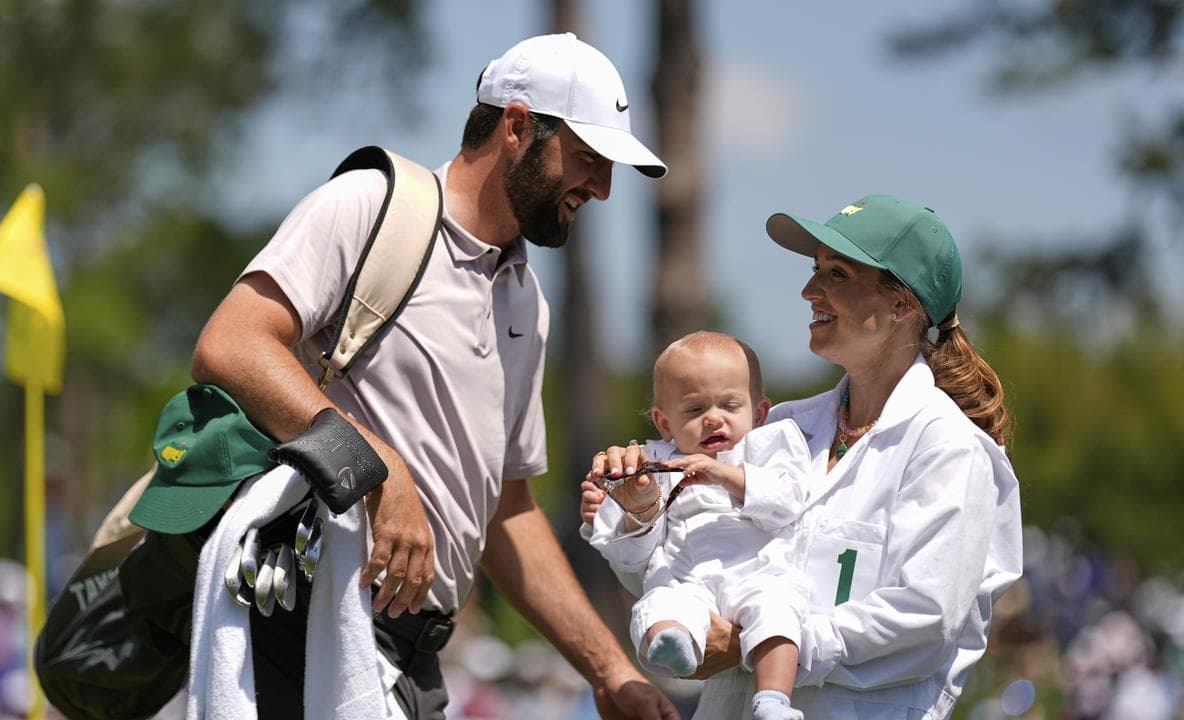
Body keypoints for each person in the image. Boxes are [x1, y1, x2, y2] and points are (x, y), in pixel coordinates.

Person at [181, 32, 677, 720]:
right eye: (589, 158)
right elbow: (231, 345)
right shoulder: (369, 205)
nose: (601, 186)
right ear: (517, 126)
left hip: (412, 655)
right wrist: (376, 466)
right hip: (308, 626)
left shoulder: (527, 304)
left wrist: (609, 672)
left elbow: (507, 510)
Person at [585, 195, 1023, 719]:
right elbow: (688, 563)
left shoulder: (949, 448)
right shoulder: (781, 427)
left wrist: (769, 643)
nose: (808, 290)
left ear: (903, 304)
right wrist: (639, 510)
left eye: (836, 274)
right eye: (815, 270)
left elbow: (926, 620)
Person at [581, 331, 812, 720]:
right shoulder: (655, 461)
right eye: (693, 410)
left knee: (780, 612)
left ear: (758, 413)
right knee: (659, 602)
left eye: (730, 404)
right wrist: (616, 510)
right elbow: (628, 553)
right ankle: (675, 643)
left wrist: (726, 475)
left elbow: (789, 501)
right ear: (664, 422)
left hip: (758, 572)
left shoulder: (771, 446)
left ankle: (773, 700)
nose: (713, 417)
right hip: (686, 577)